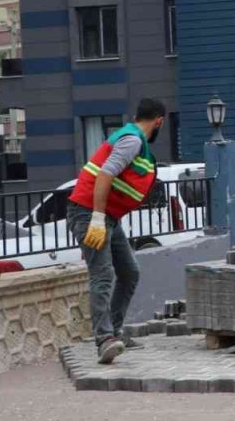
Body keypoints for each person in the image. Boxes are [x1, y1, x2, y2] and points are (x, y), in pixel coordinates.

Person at [67, 98, 167, 365]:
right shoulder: (132, 140)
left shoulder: (133, 139)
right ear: (160, 121)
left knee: (129, 272)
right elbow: (105, 174)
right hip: (90, 213)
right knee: (102, 275)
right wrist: (98, 217)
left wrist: (104, 216)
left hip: (107, 216)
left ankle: (115, 331)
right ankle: (104, 340)